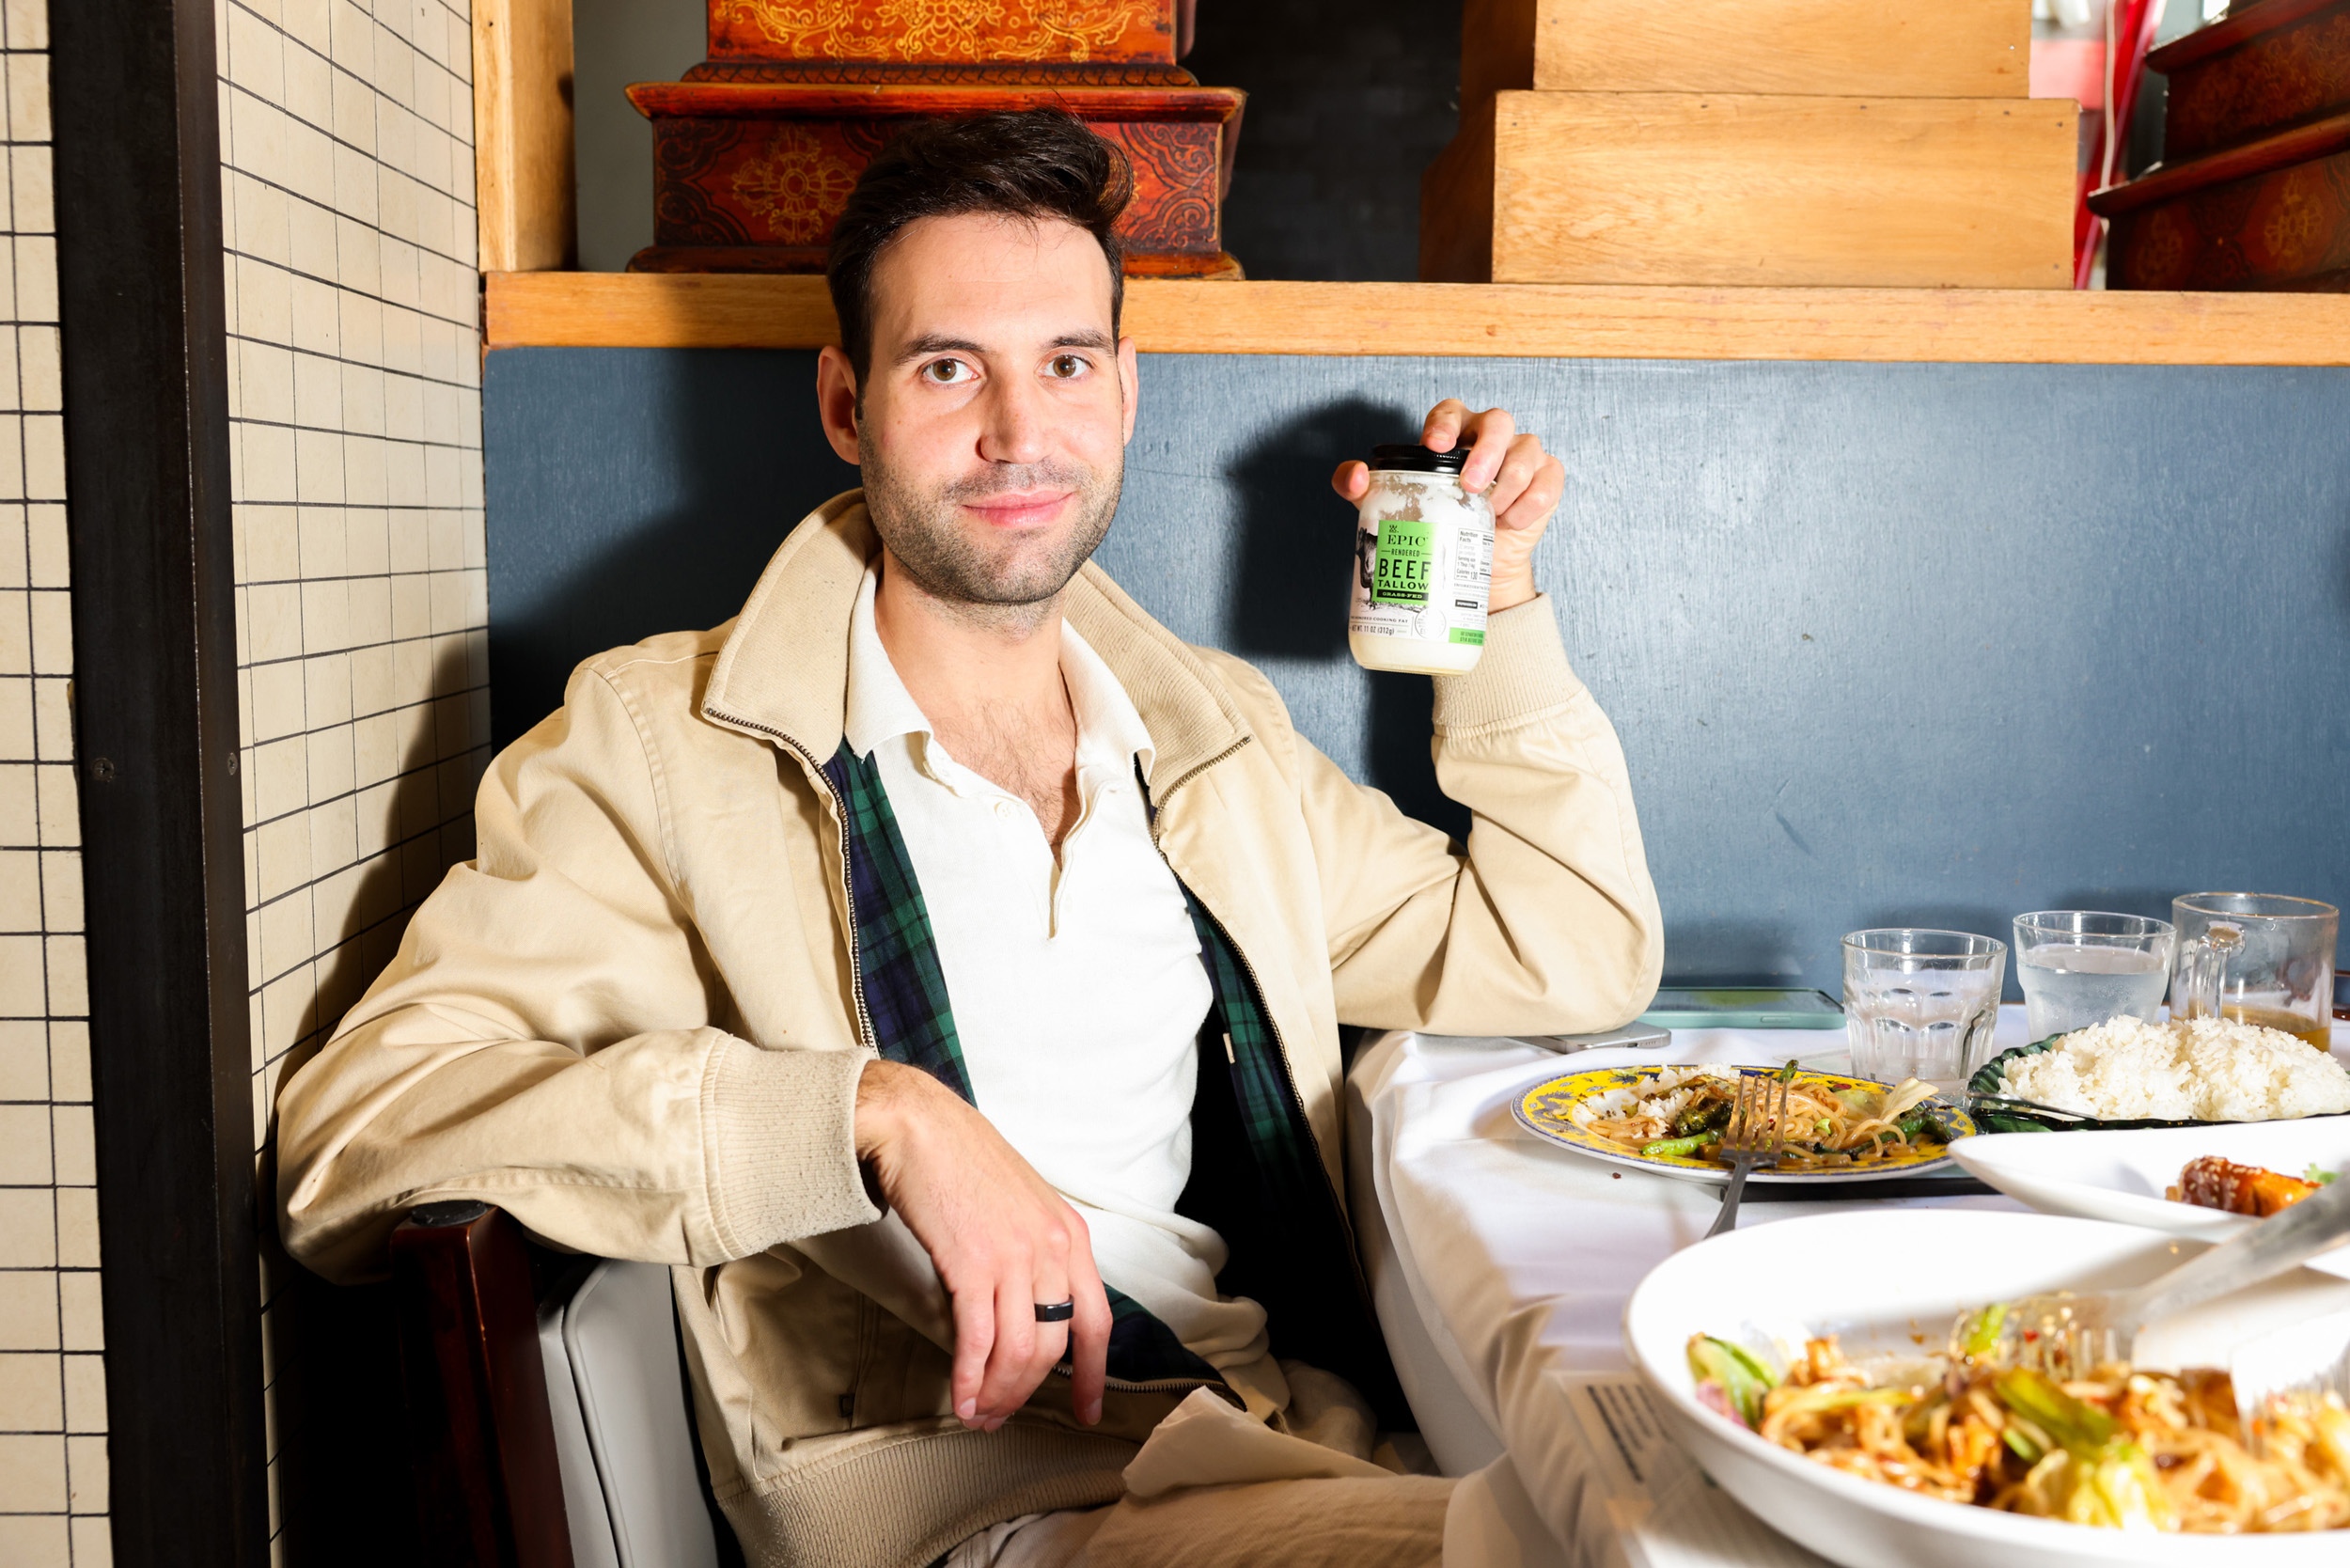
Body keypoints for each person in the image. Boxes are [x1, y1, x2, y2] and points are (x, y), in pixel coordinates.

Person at [276, 110, 1661, 1568]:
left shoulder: (1207, 738)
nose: (1018, 433)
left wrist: (1497, 604)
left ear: (1125, 392)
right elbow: (353, 1139)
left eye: (1065, 364)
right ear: (845, 404)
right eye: (949, 368)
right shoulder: (665, 750)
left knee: (1646, 1520)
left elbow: (1569, 952)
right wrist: (866, 1115)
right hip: (969, 1499)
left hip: (1253, 1435)